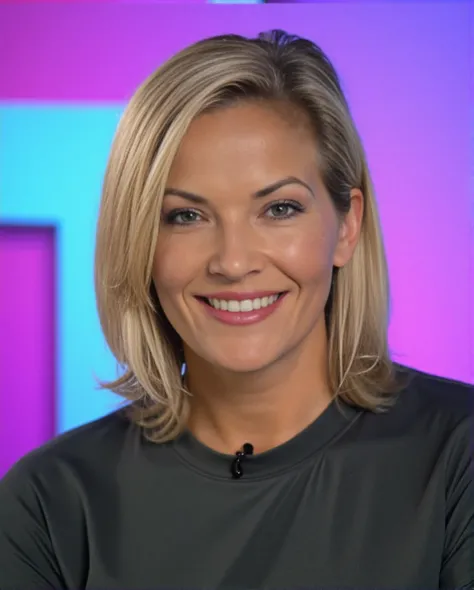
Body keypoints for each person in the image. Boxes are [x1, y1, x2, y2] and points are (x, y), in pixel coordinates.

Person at [0, 29, 472, 589]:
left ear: (347, 224)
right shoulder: (50, 503)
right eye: (186, 216)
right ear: (140, 242)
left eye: (279, 208)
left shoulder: (456, 456)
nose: (233, 261)